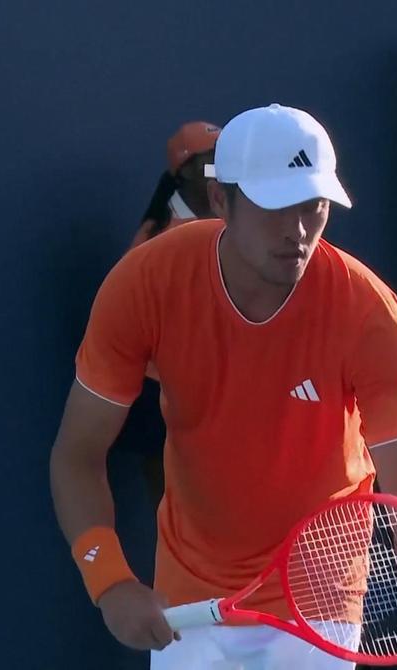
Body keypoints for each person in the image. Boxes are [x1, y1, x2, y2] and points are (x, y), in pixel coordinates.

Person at [50, 103, 397, 670]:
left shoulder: (368, 312)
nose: (296, 230)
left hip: (321, 598)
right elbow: (77, 455)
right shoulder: (144, 284)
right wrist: (109, 581)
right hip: (189, 597)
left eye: (313, 206)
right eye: (275, 207)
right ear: (220, 199)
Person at [126, 120, 221, 508]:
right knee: (175, 510)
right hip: (162, 397)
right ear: (184, 172)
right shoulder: (162, 242)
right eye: (211, 161)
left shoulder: (231, 226)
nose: (222, 170)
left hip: (209, 396)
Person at [131, 121, 221, 247]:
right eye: (214, 162)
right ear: (187, 171)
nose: (223, 170)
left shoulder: (234, 217)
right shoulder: (155, 237)